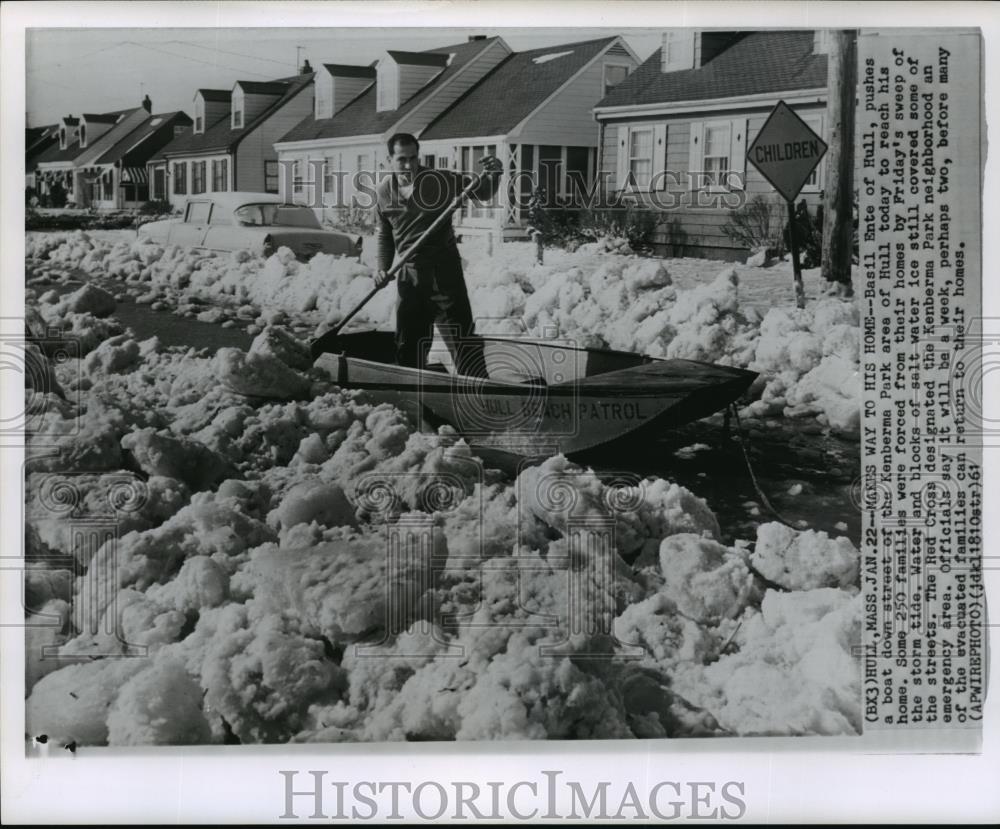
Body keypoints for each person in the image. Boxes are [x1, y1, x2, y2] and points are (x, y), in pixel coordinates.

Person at [373, 132, 503, 377]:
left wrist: (495, 173)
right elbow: (385, 236)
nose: (409, 165)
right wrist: (382, 268)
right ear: (389, 159)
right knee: (408, 345)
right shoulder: (383, 193)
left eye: (413, 158)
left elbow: (482, 193)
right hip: (409, 276)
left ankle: (479, 397)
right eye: (401, 159)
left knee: (462, 342)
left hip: (445, 274)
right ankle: (416, 399)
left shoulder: (440, 180)